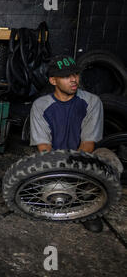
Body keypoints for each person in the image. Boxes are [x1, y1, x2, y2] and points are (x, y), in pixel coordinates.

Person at [30, 54, 105, 232]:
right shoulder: (41, 105)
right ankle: (58, 195)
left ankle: (88, 210)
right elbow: (44, 148)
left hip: (82, 160)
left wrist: (75, 176)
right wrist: (57, 173)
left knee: (111, 164)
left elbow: (87, 146)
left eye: (76, 74)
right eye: (66, 76)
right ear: (53, 81)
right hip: (53, 160)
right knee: (30, 170)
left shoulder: (92, 102)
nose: (73, 79)